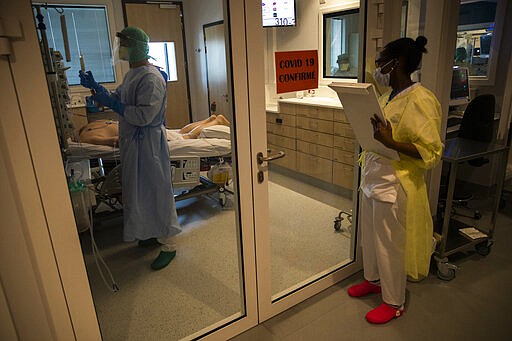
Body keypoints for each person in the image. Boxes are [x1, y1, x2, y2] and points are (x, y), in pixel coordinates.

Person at [347, 36, 443, 324]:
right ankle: (373, 280)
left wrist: (390, 142)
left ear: (396, 63)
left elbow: (432, 151)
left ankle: (393, 301)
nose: (378, 69)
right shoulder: (390, 97)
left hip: (394, 183)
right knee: (371, 239)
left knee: (389, 244)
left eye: (380, 63)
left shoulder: (421, 99)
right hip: (373, 177)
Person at [79, 26, 181, 270]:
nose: (121, 49)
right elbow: (120, 98)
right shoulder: (133, 74)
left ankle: (169, 244)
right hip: (134, 144)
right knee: (137, 190)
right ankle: (147, 233)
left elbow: (145, 115)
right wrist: (99, 91)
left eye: (124, 44)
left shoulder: (152, 77)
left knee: (156, 192)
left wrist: (113, 103)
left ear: (136, 46)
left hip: (149, 145)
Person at [77, 115, 230, 146]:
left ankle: (216, 121)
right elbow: (117, 139)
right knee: (180, 133)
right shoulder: (95, 124)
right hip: (146, 130)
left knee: (186, 136)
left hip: (146, 133)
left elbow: (117, 141)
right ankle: (213, 119)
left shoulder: (87, 138)